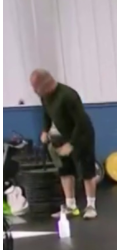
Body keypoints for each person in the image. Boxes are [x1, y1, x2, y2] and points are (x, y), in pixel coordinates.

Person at [31, 70, 99, 220]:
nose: (35, 92)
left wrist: (72, 144)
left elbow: (81, 122)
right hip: (64, 134)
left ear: (47, 84)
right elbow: (46, 114)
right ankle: (71, 206)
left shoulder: (68, 95)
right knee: (65, 170)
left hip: (82, 135)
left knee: (86, 171)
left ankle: (91, 206)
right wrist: (45, 130)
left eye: (37, 88)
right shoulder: (45, 97)